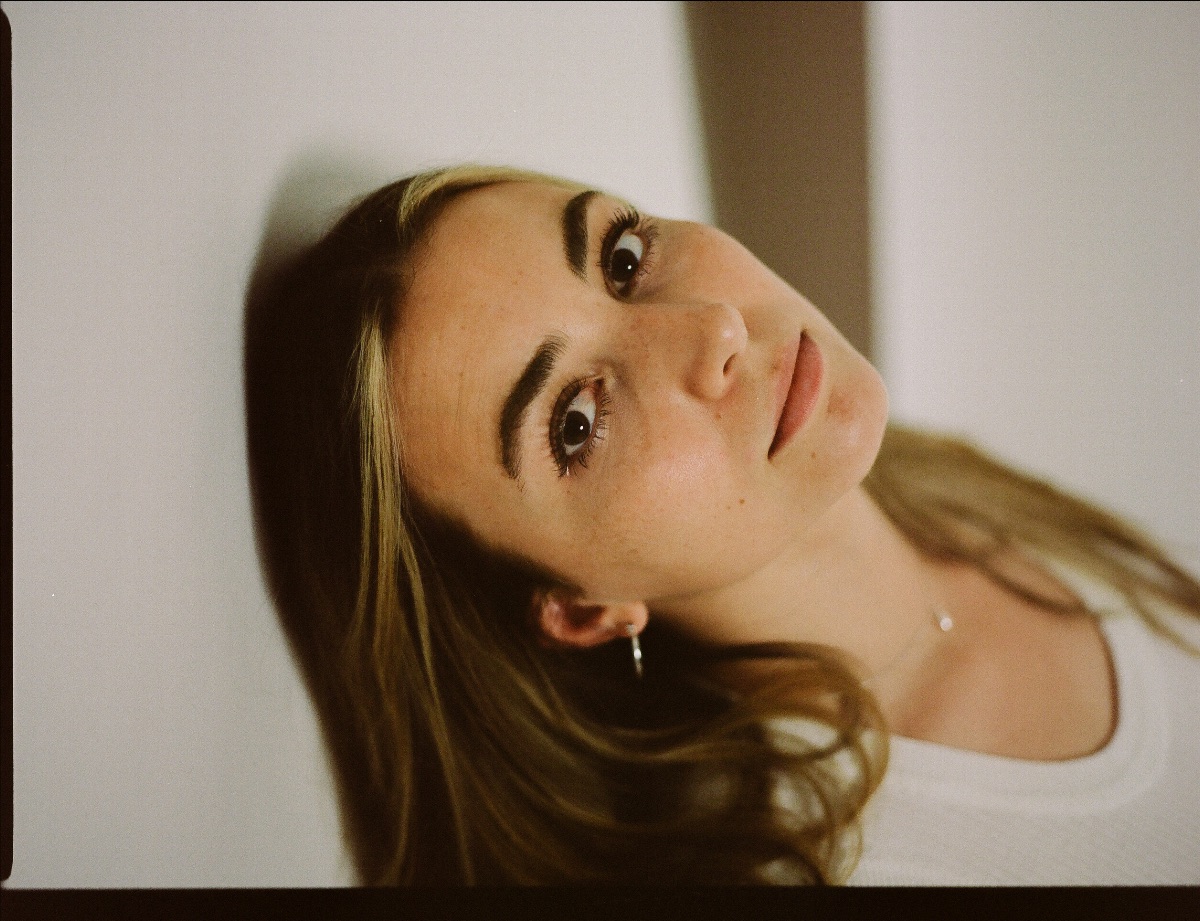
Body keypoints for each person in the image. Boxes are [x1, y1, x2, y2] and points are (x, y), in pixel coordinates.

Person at [244, 164, 1200, 885]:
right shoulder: (815, 870)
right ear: (581, 608)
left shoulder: (963, 491)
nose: (714, 329)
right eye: (575, 421)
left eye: (623, 259)